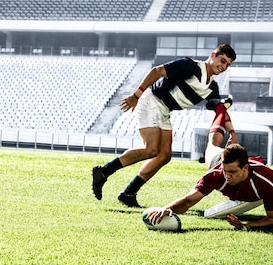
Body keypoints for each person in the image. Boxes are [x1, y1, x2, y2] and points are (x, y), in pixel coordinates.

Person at [92, 44, 237, 207]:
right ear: (212, 55)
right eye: (222, 60)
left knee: (164, 155)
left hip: (164, 110)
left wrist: (232, 131)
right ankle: (104, 171)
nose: (223, 66)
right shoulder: (190, 66)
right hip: (151, 100)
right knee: (151, 149)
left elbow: (218, 108)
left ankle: (129, 193)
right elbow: (157, 71)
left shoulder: (212, 88)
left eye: (227, 64)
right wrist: (135, 95)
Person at [146, 103, 273, 230]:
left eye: (232, 172)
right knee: (211, 145)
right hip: (217, 160)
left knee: (228, 147)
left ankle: (229, 128)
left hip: (245, 162)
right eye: (225, 171)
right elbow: (188, 201)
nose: (227, 176)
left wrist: (245, 224)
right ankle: (220, 108)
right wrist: (168, 208)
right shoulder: (216, 174)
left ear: (245, 169)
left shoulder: (265, 181)